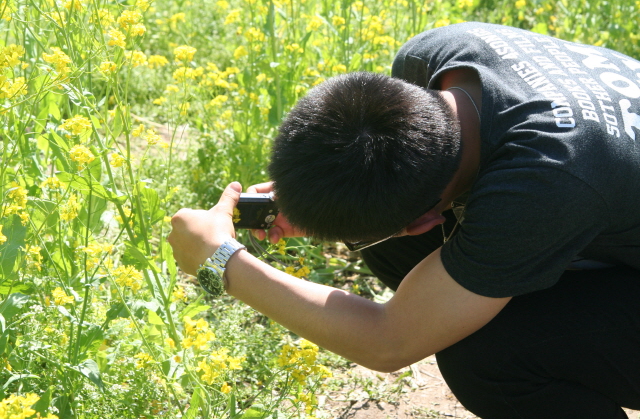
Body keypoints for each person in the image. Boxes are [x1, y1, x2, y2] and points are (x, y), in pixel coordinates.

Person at [168, 21, 640, 418]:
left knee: (486, 356)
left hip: (580, 186)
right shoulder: (438, 54)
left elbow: (389, 343)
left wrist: (220, 262)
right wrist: (321, 200)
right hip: (599, 197)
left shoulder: (544, 180)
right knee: (400, 253)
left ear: (423, 220)